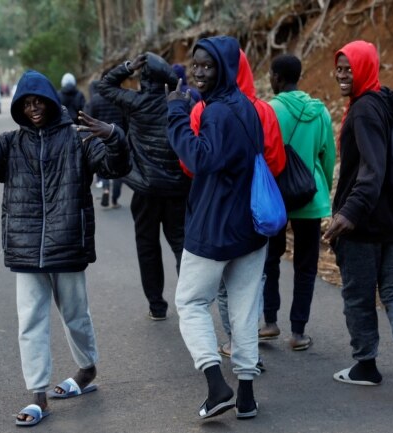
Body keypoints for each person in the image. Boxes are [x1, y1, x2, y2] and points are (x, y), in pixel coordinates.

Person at [0, 69, 130, 426]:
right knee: (30, 322)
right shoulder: (10, 143)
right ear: (19, 106)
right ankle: (38, 396)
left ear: (51, 101)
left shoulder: (77, 140)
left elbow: (116, 164)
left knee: (76, 315)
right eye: (26, 103)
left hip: (68, 244)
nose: (33, 108)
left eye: (39, 102)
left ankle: (86, 370)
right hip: (26, 249)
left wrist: (114, 136)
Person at [167, 35, 271, 420]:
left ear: (225, 69)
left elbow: (199, 158)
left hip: (214, 227)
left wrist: (177, 114)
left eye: (208, 66)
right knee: (244, 311)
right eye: (195, 64)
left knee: (190, 303)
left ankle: (216, 386)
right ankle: (245, 395)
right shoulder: (245, 106)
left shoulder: (216, 113)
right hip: (250, 227)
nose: (198, 72)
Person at [323, 40, 393, 398]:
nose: (341, 75)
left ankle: (366, 365)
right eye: (339, 68)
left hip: (366, 225)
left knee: (358, 296)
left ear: (364, 68)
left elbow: (373, 169)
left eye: (348, 69)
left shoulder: (364, 111)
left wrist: (348, 214)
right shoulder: (385, 100)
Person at [182, 49, 286, 366]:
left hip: (215, 214)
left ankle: (230, 346)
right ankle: (248, 359)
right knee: (251, 288)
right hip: (259, 210)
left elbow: (192, 165)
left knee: (212, 293)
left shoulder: (204, 109)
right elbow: (276, 161)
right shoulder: (261, 109)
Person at [97, 52, 190, 321]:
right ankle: (189, 303)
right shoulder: (181, 103)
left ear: (144, 79)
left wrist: (127, 67)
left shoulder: (135, 102)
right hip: (177, 189)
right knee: (180, 245)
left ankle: (157, 306)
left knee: (147, 247)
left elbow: (105, 86)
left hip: (146, 189)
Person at [259, 54, 336, 351]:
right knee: (306, 265)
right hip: (309, 194)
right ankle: (299, 332)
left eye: (270, 75)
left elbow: (261, 153)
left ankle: (269, 322)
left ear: (277, 77)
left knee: (270, 259)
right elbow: (327, 157)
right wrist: (321, 190)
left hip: (276, 194)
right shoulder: (320, 111)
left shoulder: (268, 110)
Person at [85, 77, 127, 209]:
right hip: (117, 135)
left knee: (101, 163)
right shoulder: (118, 100)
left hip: (100, 137)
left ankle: (105, 188)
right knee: (118, 165)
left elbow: (90, 120)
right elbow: (126, 119)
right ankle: (114, 200)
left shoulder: (95, 100)